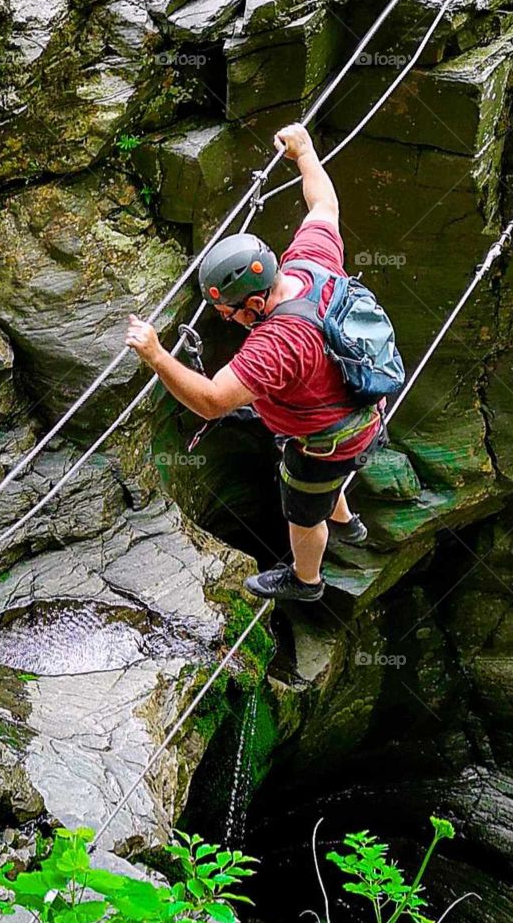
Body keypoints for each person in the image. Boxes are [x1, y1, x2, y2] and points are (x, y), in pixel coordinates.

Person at [125, 122, 383, 603]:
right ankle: (348, 522)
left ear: (252, 303)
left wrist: (157, 355)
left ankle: (305, 581)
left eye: (228, 313)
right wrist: (305, 152)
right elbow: (324, 205)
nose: (228, 321)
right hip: (365, 408)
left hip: (327, 443)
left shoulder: (276, 344)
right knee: (321, 472)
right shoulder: (310, 264)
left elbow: (212, 402)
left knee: (304, 511)